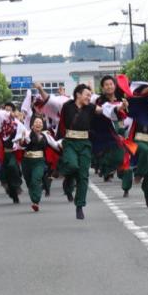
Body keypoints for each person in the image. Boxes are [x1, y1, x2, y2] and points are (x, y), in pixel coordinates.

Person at [58, 83, 99, 219]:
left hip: (85, 143)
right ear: (78, 95)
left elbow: (105, 110)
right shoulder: (67, 106)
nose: (89, 97)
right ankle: (68, 179)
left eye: (90, 95)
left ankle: (79, 205)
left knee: (83, 175)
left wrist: (119, 108)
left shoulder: (91, 108)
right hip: (69, 142)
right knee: (72, 166)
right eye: (87, 94)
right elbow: (61, 122)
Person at [16, 115, 60, 212]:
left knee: (36, 179)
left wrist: (63, 144)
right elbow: (21, 145)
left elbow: (56, 145)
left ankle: (35, 201)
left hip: (39, 161)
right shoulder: (27, 133)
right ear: (32, 125)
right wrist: (22, 139)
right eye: (36, 122)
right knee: (29, 182)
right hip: (27, 161)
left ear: (42, 125)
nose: (38, 124)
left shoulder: (46, 136)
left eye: (40, 123)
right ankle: (34, 198)